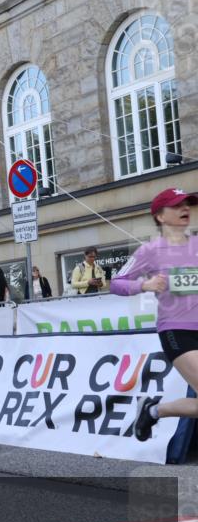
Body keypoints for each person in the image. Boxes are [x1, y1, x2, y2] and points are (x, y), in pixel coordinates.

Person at [111, 188, 198, 441]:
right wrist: (144, 285)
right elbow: (116, 283)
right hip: (177, 331)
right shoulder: (149, 251)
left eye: (188, 204)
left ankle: (153, 410)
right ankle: (152, 410)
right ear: (160, 216)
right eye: (177, 205)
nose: (185, 209)